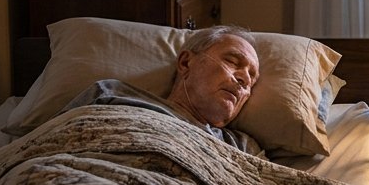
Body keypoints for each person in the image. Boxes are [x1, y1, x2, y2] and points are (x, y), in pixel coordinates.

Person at [62, 25, 264, 155]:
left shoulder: (242, 147)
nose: (245, 79)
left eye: (252, 79)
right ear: (186, 63)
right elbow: (52, 140)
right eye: (232, 61)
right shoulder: (110, 94)